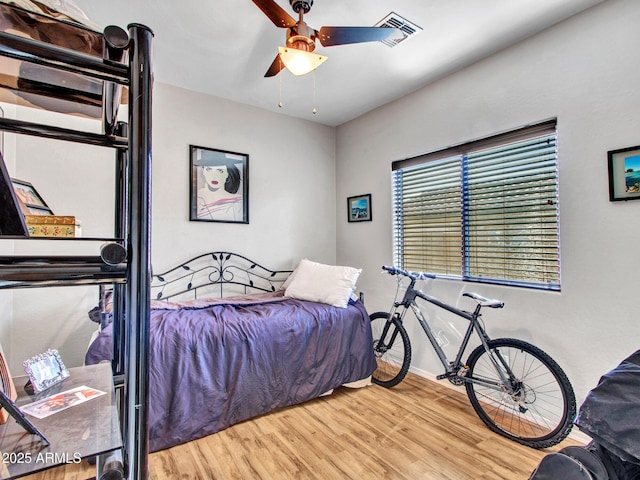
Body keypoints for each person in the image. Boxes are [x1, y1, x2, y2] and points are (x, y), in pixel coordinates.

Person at [193, 150, 244, 221]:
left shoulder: (238, 201)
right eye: (209, 169)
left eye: (220, 171)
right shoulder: (196, 197)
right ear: (203, 171)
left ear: (227, 174)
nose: (214, 176)